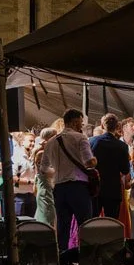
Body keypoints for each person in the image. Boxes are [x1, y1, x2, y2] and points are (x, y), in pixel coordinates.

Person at [41, 108, 97, 253]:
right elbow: (89, 162)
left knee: (62, 226)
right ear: (74, 121)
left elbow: (43, 168)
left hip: (59, 188)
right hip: (78, 187)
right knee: (85, 226)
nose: (81, 126)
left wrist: (58, 172)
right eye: (80, 123)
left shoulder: (51, 142)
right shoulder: (80, 138)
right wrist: (94, 161)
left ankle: (63, 261)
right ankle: (86, 259)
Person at [89, 113, 131, 220]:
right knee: (112, 222)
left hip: (95, 188)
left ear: (102, 126)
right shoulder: (122, 146)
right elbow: (125, 170)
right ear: (117, 126)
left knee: (92, 221)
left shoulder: (92, 141)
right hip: (113, 189)